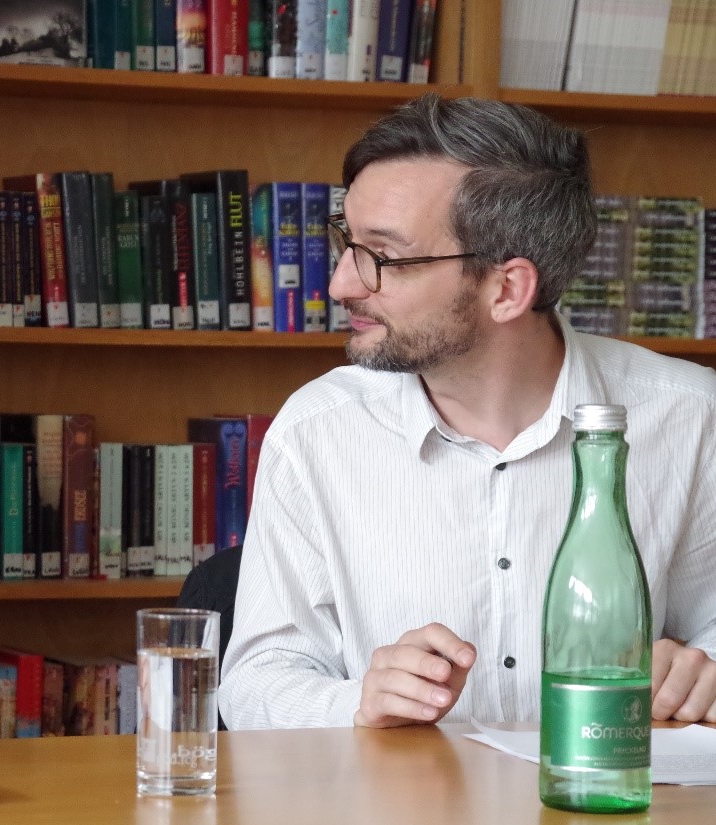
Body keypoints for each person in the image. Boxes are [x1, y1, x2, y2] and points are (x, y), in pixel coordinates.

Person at [219, 94, 716, 731]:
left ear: (506, 289)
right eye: (347, 243)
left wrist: (700, 674)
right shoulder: (318, 430)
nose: (341, 284)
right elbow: (255, 684)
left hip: (611, 814)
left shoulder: (690, 417)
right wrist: (359, 703)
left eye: (384, 258)